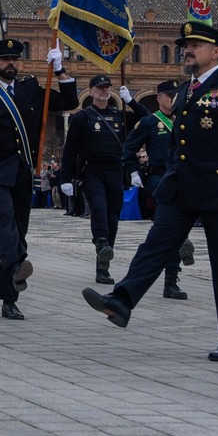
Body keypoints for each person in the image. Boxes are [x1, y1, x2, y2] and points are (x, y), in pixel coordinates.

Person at [83, 21, 218, 361]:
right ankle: (121, 302)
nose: (188, 50)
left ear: (216, 52)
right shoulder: (185, 91)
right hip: (181, 187)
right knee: (155, 246)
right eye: (186, 45)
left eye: (195, 45)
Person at [0, 38, 79, 320]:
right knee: (4, 219)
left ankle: (10, 296)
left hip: (23, 171)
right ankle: (17, 262)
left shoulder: (31, 89)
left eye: (15, 59)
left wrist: (60, 70)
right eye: (5, 59)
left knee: (18, 232)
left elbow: (71, 102)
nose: (11, 64)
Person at [121, 79, 189, 299]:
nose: (175, 99)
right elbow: (129, 149)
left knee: (169, 231)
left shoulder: (185, 120)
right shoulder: (150, 122)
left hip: (184, 178)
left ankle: (171, 280)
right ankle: (171, 280)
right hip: (159, 178)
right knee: (173, 226)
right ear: (160, 98)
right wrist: (133, 172)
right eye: (171, 96)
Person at [60, 74, 128, 285]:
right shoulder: (82, 117)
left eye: (107, 87)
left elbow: (147, 120)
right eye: (100, 87)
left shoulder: (120, 116)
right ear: (91, 92)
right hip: (92, 171)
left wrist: (131, 101)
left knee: (113, 218)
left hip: (115, 171)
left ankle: (103, 266)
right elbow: (70, 149)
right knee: (98, 206)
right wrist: (65, 177)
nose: (104, 90)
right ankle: (100, 242)